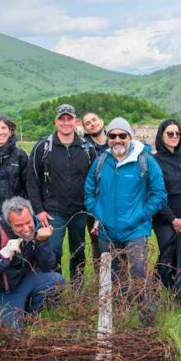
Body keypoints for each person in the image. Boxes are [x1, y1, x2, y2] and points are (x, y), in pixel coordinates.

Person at [84, 117, 167, 324]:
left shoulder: (145, 160)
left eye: (122, 135)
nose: (117, 139)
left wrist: (139, 216)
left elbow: (159, 194)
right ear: (108, 138)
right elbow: (88, 192)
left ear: (130, 137)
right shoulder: (101, 161)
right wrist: (99, 214)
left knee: (139, 272)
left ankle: (147, 321)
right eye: (112, 136)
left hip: (135, 230)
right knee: (111, 277)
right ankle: (116, 319)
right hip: (107, 230)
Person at [27, 104, 96, 281]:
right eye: (61, 119)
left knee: (78, 251)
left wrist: (93, 207)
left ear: (76, 121)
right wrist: (39, 210)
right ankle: (54, 289)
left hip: (80, 210)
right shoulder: (43, 147)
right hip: (52, 212)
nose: (66, 123)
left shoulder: (87, 149)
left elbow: (96, 180)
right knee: (53, 251)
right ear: (55, 121)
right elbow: (32, 180)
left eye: (69, 119)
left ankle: (77, 288)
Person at [0, 196, 64, 328]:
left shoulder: (36, 227)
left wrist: (42, 242)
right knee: (12, 331)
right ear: (8, 222)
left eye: (27, 222)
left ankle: (29, 313)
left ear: (31, 215)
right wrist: (5, 254)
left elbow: (48, 265)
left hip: (23, 282)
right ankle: (11, 312)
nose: (25, 228)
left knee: (56, 280)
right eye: (18, 225)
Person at [152, 119, 181, 303]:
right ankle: (165, 293)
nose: (174, 137)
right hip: (165, 219)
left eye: (177, 134)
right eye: (169, 134)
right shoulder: (154, 161)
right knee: (168, 259)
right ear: (161, 136)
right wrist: (173, 219)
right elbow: (156, 193)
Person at [82, 111, 109, 268]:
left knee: (120, 239)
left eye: (94, 120)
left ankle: (121, 280)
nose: (92, 123)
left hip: (116, 199)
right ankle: (102, 281)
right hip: (94, 202)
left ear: (102, 121)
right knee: (97, 239)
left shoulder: (116, 139)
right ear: (85, 129)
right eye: (88, 123)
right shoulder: (83, 146)